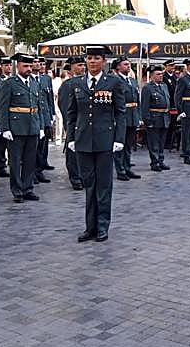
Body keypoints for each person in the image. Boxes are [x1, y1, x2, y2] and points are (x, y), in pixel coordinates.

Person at [64, 45, 127, 242]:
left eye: (96, 58)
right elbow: (71, 114)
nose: (92, 62)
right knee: (89, 185)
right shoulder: (76, 83)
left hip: (105, 140)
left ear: (104, 61)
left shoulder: (113, 83)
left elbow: (120, 113)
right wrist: (70, 138)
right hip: (83, 140)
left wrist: (119, 138)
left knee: (104, 186)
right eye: (89, 58)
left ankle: (102, 226)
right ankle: (89, 227)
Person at [0, 53, 43, 203]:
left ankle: (28, 188)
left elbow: (38, 106)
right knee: (15, 162)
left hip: (32, 126)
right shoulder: (10, 83)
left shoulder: (34, 83)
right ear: (17, 66)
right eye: (25, 66)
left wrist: (40, 126)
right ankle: (17, 190)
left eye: (30, 66)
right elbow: (3, 107)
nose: (29, 68)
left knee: (30, 161)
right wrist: (5, 128)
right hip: (16, 128)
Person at [57, 55, 86, 189]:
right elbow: (65, 107)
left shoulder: (87, 82)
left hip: (86, 124)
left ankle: (84, 177)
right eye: (79, 65)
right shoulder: (67, 85)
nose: (83, 67)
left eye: (83, 65)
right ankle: (75, 178)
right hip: (74, 124)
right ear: (71, 68)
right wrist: (69, 125)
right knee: (73, 153)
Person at [112, 57, 141, 180]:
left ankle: (127, 167)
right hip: (121, 116)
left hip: (132, 115)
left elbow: (137, 100)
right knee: (120, 144)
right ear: (118, 67)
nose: (128, 66)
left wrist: (139, 116)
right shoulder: (115, 81)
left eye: (129, 64)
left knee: (129, 145)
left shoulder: (132, 81)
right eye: (125, 64)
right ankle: (120, 170)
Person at [140, 66, 172, 171]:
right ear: (152, 76)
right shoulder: (147, 88)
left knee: (162, 142)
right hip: (154, 117)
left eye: (161, 74)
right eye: (158, 74)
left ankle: (161, 160)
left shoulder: (164, 86)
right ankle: (155, 162)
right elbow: (144, 106)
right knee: (154, 142)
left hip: (164, 117)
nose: (161, 76)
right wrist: (147, 120)